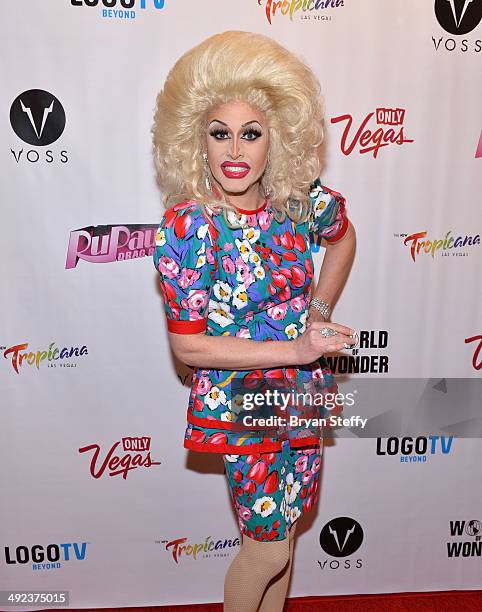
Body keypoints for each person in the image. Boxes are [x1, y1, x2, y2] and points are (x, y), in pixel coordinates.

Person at [151, 30, 357, 612]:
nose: (234, 151)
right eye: (220, 133)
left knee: (282, 544)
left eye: (251, 133)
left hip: (302, 397)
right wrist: (296, 350)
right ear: (197, 141)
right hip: (245, 404)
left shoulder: (299, 201)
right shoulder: (189, 230)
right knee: (265, 552)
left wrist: (317, 313)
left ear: (277, 139)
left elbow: (343, 240)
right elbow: (190, 349)